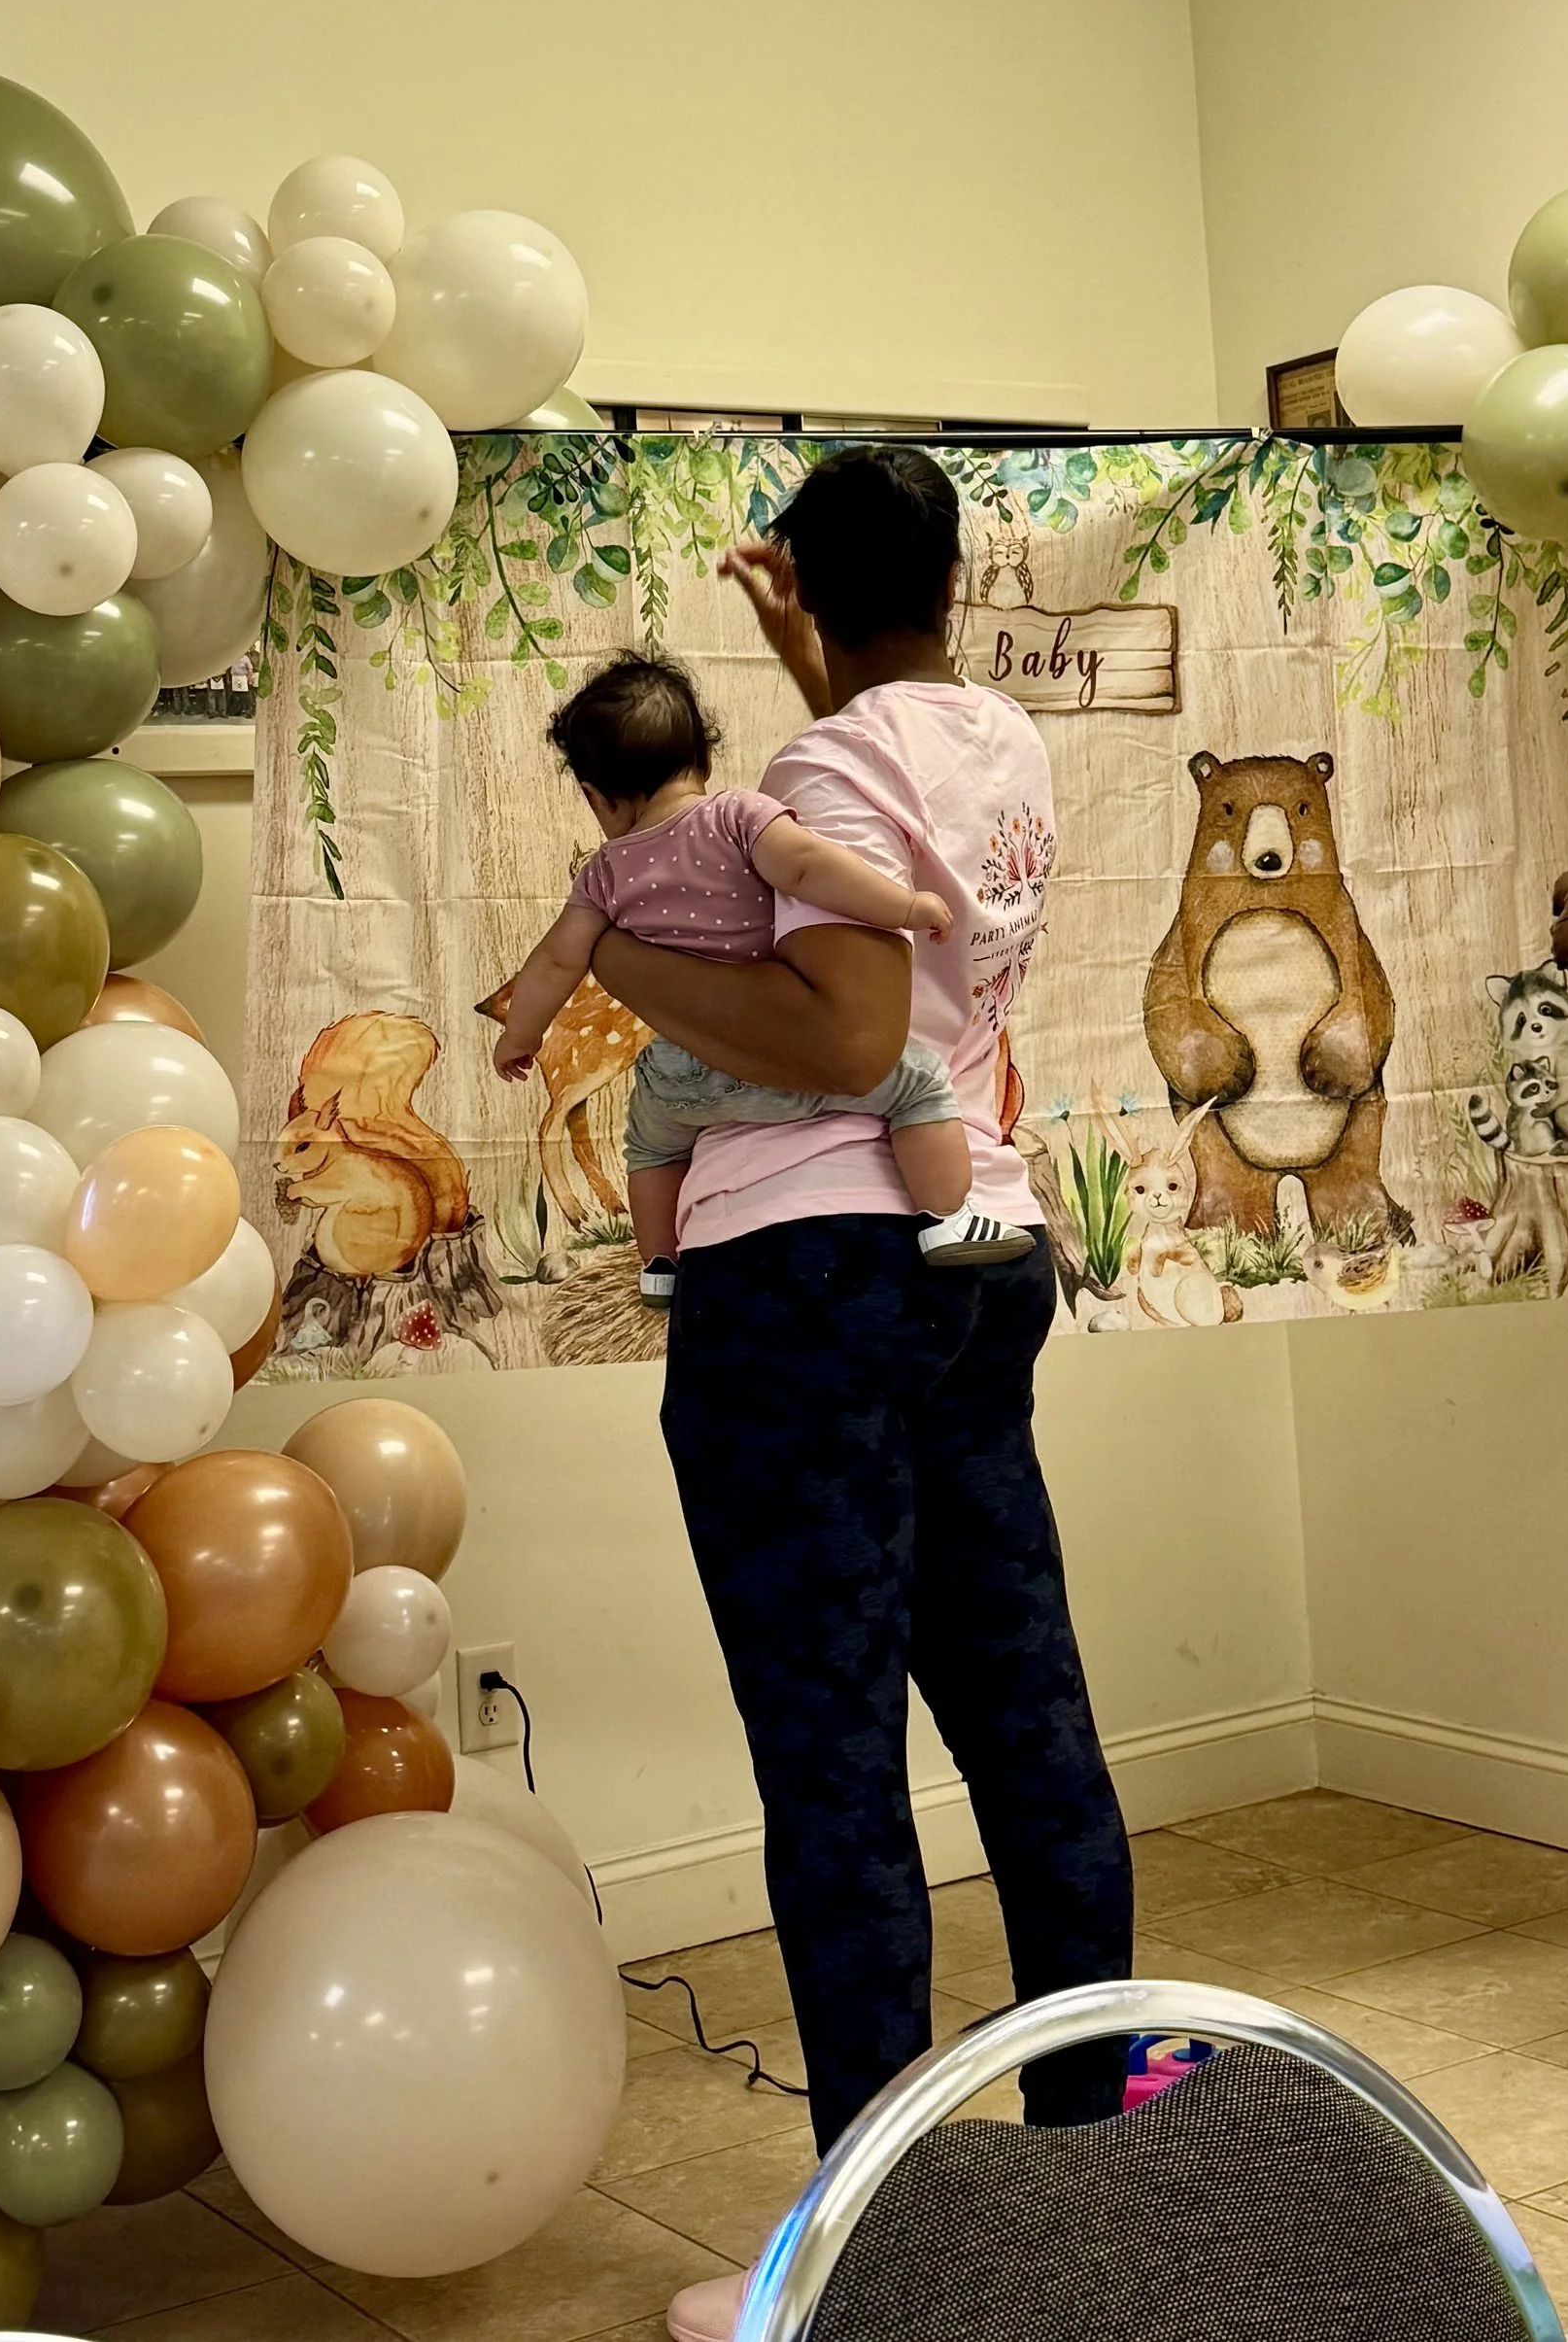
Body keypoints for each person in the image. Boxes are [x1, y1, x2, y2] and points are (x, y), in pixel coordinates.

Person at [587, 445, 1135, 2342]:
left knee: (833, 1776)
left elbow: (836, 1032)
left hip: (802, 1285)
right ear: (951, 579)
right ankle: (1101, 2180)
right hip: (974, 1258)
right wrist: (813, 660)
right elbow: (888, 840)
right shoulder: (995, 741)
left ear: (810, 588)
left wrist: (623, 954)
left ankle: (870, 2256)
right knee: (1022, 1719)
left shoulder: (811, 777)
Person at [491, 650, 1037, 1304]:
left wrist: (519, 1037)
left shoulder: (602, 874)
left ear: (597, 798)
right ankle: (946, 1217)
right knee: (919, 1083)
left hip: (680, 1074)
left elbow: (555, 959)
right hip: (779, 1055)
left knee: (649, 1147)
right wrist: (904, 906)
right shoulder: (736, 816)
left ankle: (660, 1263)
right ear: (704, 759)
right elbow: (810, 868)